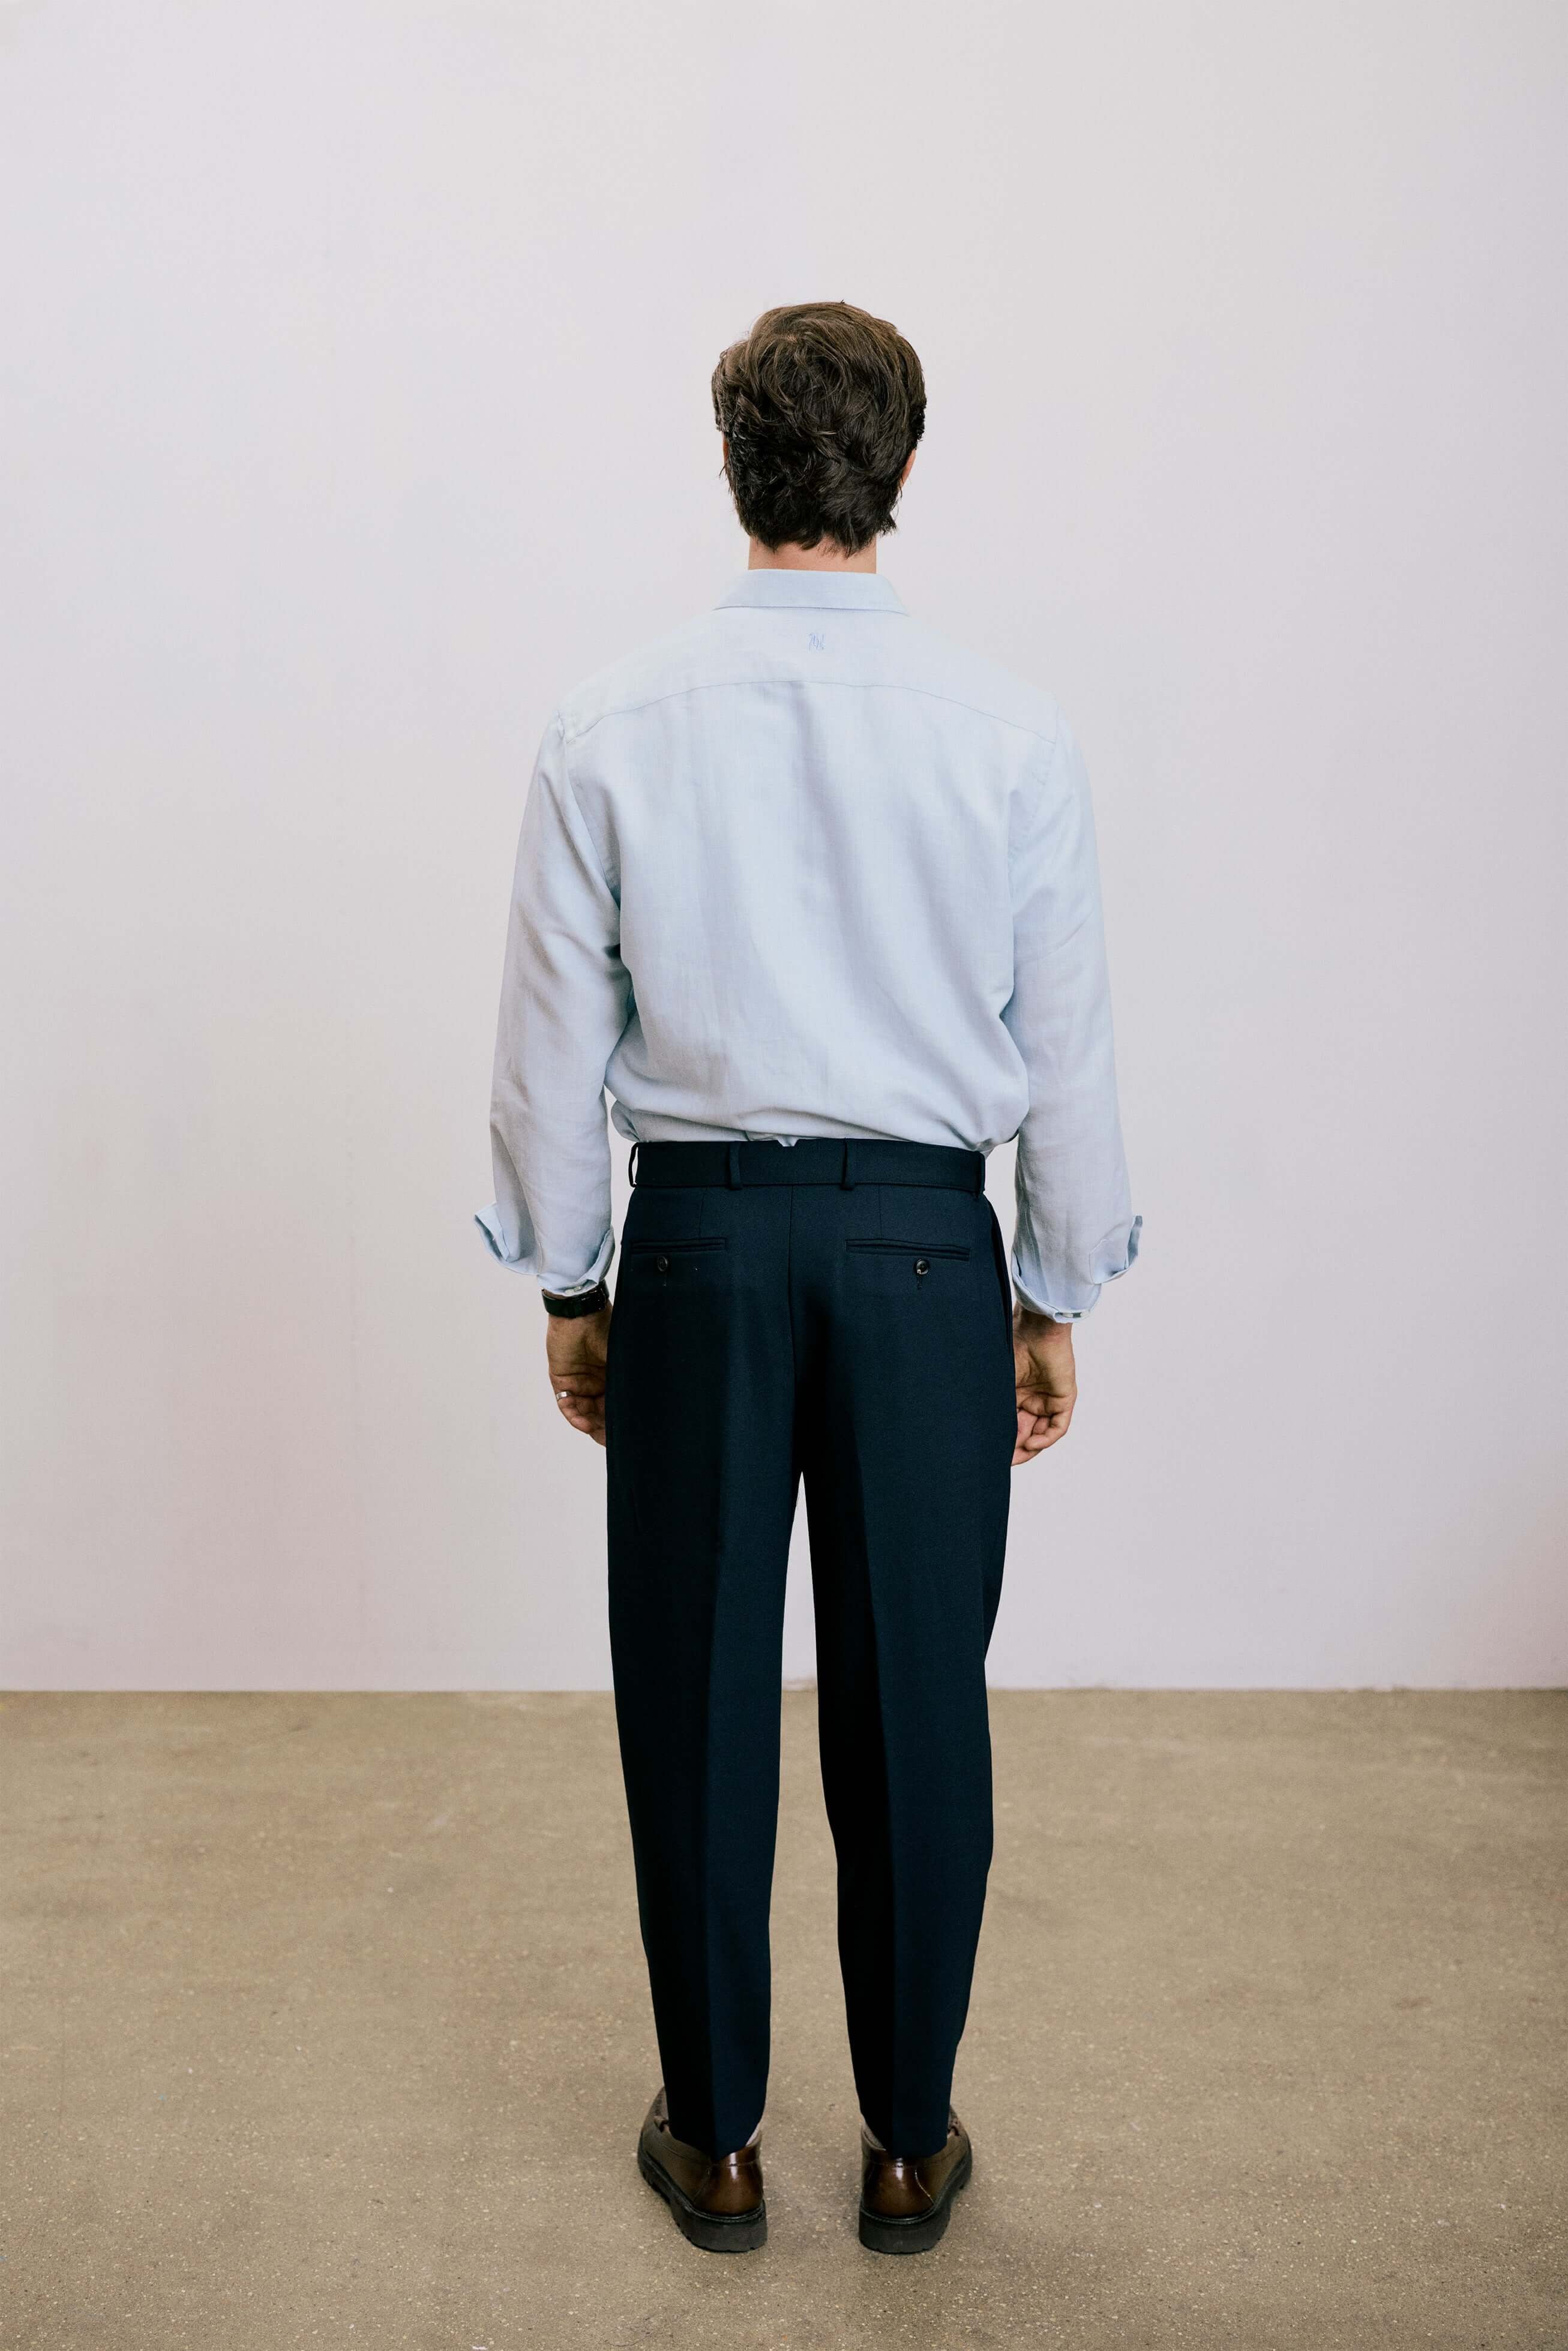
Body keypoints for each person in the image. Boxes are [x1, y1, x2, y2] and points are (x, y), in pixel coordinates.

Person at [476, 301, 1140, 2256]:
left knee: (691, 1694)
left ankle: (722, 2134)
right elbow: (1069, 1051)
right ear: (905, 477)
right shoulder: (1009, 731)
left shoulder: (610, 719)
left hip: (695, 1241)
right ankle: (914, 2137)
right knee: (917, 1695)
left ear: (732, 465)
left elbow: (542, 1051)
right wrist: (1055, 1292)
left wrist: (570, 1287)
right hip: (930, 1246)